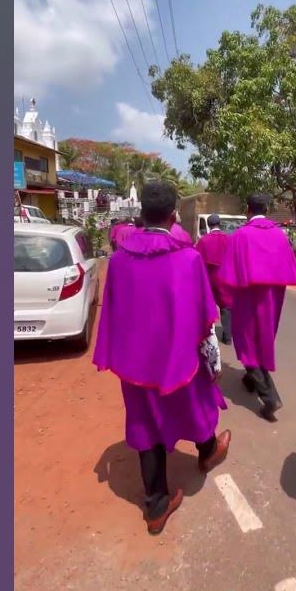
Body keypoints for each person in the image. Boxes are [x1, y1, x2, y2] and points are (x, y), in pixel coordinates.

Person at [93, 181, 233, 535]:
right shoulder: (187, 258)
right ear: (173, 217)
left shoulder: (121, 260)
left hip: (135, 362)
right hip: (176, 358)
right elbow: (204, 316)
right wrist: (210, 356)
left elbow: (112, 311)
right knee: (195, 399)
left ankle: (156, 503)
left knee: (143, 420)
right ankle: (207, 450)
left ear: (142, 214)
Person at [216, 193, 296, 421]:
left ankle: (270, 397)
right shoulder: (280, 235)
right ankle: (250, 380)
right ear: (268, 208)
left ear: (248, 209)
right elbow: (292, 269)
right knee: (262, 340)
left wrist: (226, 300)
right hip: (273, 298)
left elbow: (227, 275)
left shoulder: (241, 235)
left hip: (248, 298)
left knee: (247, 343)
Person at [194, 214, 233, 344]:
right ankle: (227, 337)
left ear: (209, 225)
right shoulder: (228, 239)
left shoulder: (204, 240)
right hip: (225, 277)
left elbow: (197, 260)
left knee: (207, 304)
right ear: (219, 224)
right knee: (226, 306)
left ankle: (205, 335)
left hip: (209, 277)